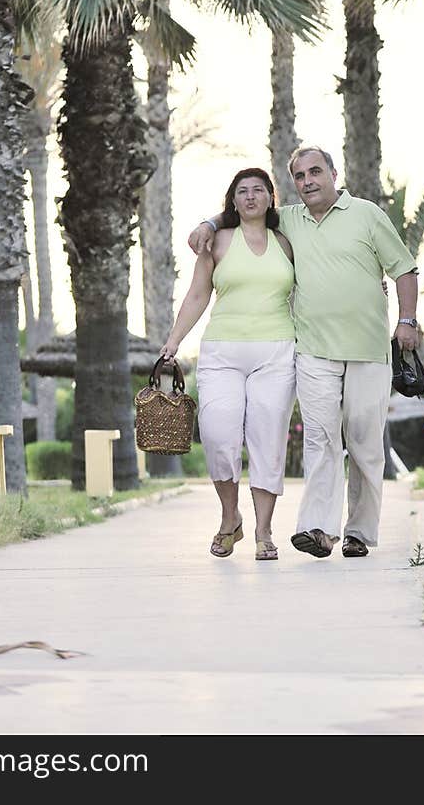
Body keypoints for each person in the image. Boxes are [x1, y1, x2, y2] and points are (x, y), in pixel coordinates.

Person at [188, 146, 419, 560]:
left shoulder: (366, 214)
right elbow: (243, 212)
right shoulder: (289, 220)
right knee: (320, 440)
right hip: (312, 350)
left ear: (333, 173)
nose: (308, 180)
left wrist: (408, 320)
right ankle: (319, 529)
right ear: (292, 183)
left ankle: (359, 533)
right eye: (299, 175)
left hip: (368, 350)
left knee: (365, 444)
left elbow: (403, 268)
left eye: (316, 171)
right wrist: (209, 221)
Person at [161, 167, 296, 561]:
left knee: (268, 439)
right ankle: (229, 517)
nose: (251, 196)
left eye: (258, 190)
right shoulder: (217, 240)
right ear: (232, 200)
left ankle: (264, 531)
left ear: (271, 197)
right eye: (242, 191)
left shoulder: (287, 243)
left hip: (276, 351)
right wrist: (172, 343)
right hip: (222, 352)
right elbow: (198, 295)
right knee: (219, 436)